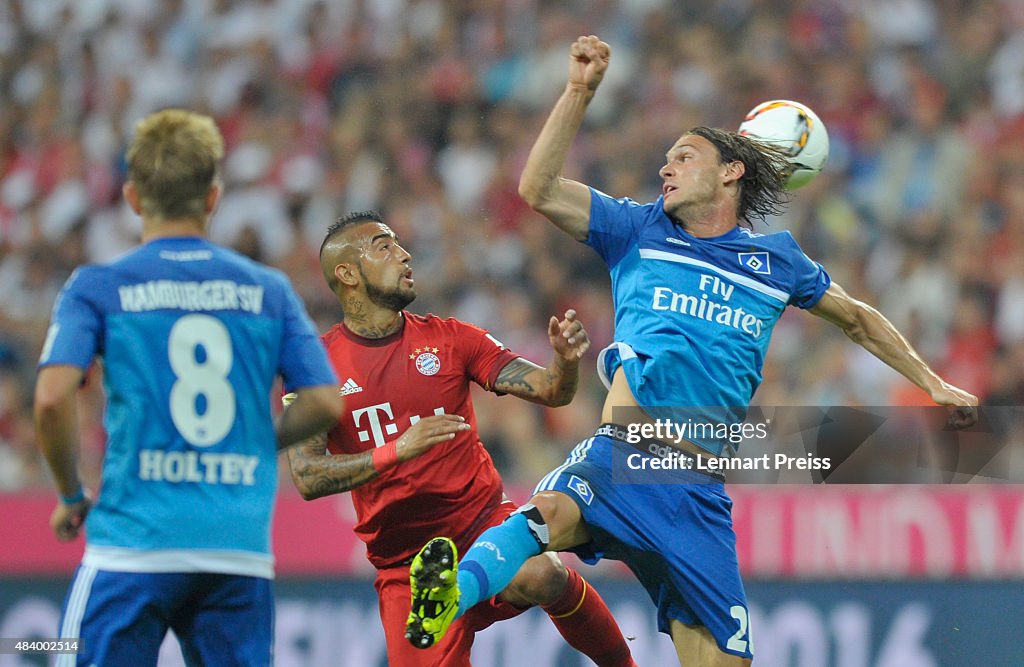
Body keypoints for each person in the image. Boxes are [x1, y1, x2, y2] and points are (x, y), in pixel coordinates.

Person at [405, 35, 980, 666]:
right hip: (622, 455)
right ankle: (448, 595)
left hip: (699, 492)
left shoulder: (778, 262)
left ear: (730, 171)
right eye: (666, 160)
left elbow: (859, 321)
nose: (665, 169)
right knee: (545, 514)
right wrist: (580, 91)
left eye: (682, 157)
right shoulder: (637, 228)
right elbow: (538, 188)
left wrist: (932, 383)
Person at [34, 109, 344, 667]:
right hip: (236, 548)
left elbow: (53, 397)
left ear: (132, 197)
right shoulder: (267, 290)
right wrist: (253, 443)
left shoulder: (100, 287)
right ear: (213, 197)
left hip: (135, 543)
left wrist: (70, 494)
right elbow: (323, 401)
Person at [284, 210, 637, 667]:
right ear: (347, 273)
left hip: (482, 526)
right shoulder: (315, 369)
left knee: (542, 573)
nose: (405, 254)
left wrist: (565, 364)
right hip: (405, 567)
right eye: (384, 246)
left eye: (399, 243)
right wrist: (397, 449)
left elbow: (552, 391)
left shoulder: (453, 339)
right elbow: (308, 476)